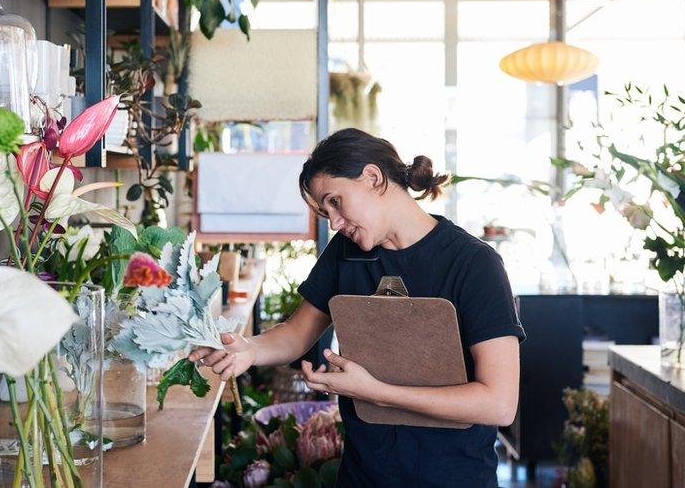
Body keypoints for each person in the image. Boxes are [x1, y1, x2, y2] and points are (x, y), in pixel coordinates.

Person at [189, 128, 526, 487]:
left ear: (372, 178)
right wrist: (249, 350)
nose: (333, 222)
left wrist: (373, 391)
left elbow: (499, 403)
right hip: (363, 476)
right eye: (325, 210)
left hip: (453, 478)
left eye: (335, 201)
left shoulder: (473, 264)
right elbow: (296, 333)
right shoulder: (346, 253)